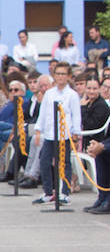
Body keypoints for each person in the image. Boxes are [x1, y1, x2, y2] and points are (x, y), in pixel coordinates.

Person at [33, 61, 82, 205]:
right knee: (45, 162)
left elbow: (75, 115)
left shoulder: (72, 95)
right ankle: (49, 192)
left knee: (65, 164)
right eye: (58, 74)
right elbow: (43, 114)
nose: (60, 77)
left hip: (64, 135)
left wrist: (75, 133)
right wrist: (38, 130)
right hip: (49, 134)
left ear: (68, 76)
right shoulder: (49, 93)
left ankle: (65, 193)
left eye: (63, 74)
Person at [84, 78, 110, 213]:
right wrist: (100, 145)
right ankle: (103, 197)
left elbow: (91, 125)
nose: (106, 90)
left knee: (103, 149)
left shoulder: (101, 106)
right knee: (101, 154)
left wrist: (103, 145)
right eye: (104, 86)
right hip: (103, 141)